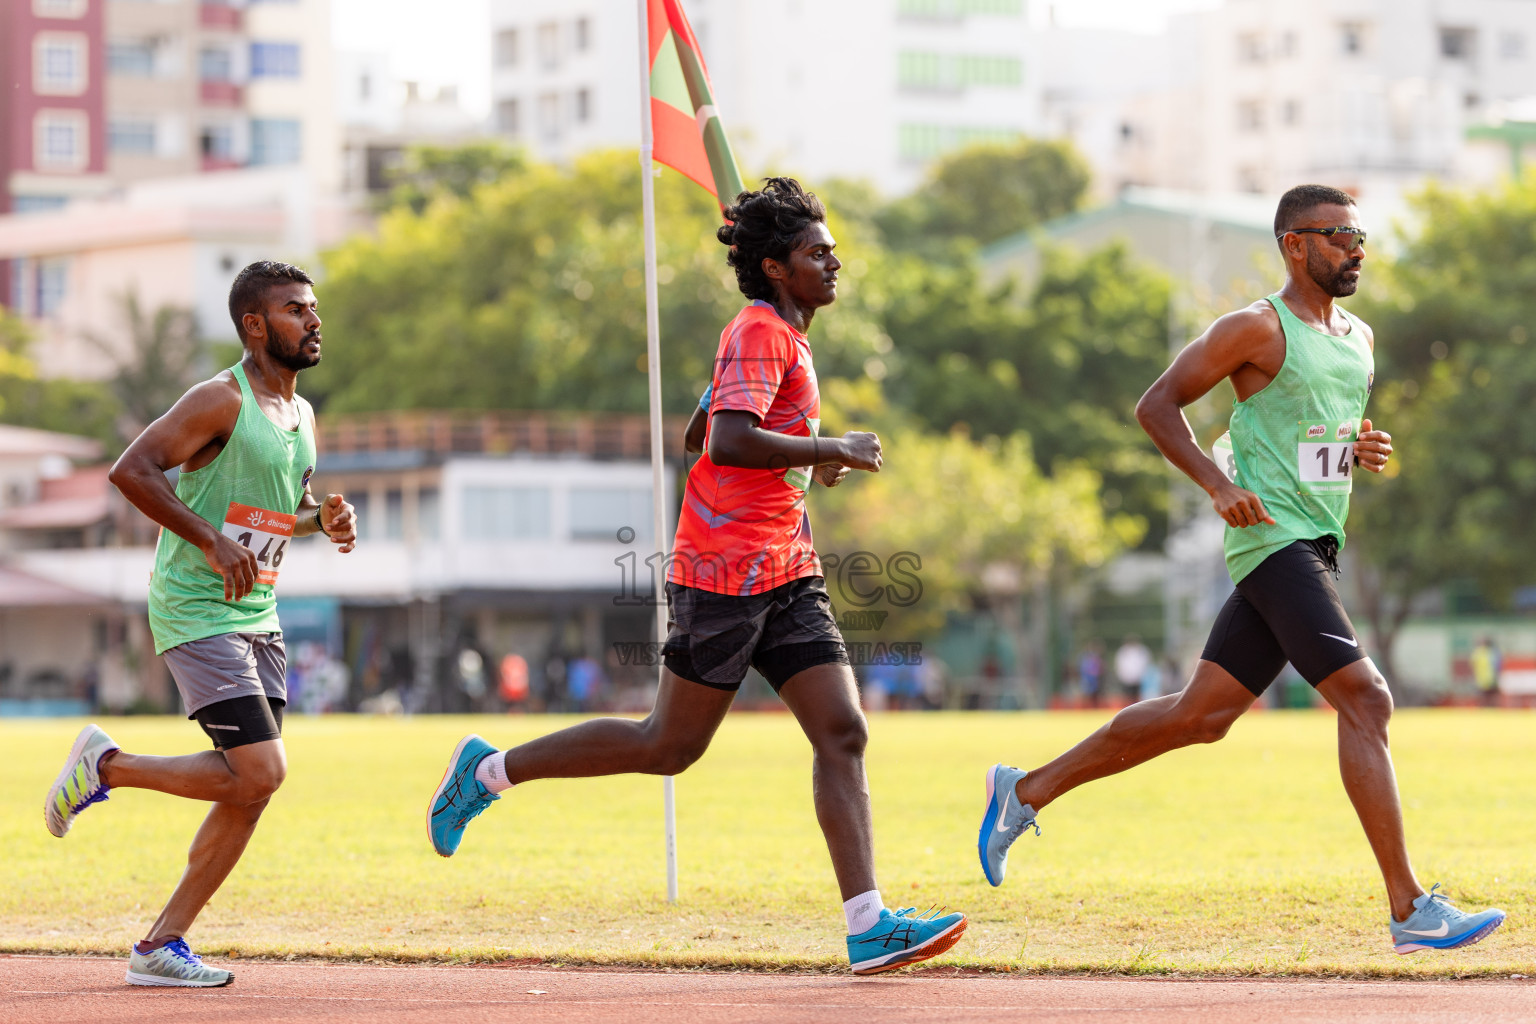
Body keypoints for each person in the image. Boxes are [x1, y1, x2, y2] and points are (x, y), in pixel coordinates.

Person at [428, 178, 966, 975]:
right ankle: (486, 772)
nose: (835, 262)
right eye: (819, 253)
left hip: (788, 570)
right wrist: (830, 448)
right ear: (778, 268)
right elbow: (723, 443)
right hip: (722, 575)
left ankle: (867, 924)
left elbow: (700, 427)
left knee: (843, 732)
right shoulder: (758, 332)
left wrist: (798, 458)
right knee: (668, 746)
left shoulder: (776, 336)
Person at [977, 185, 1506, 955]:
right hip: (1271, 541)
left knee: (1203, 717)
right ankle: (1410, 908)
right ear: (1295, 244)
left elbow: (1310, 435)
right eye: (1339, 236)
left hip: (1317, 540)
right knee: (1367, 698)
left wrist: (1360, 450)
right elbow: (1157, 405)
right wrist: (1218, 486)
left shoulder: (1358, 336)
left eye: (1361, 237)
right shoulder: (1255, 327)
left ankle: (1023, 791)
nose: (1356, 249)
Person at [42, 261, 357, 987]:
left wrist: (324, 521)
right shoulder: (219, 400)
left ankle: (160, 946)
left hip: (259, 610)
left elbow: (280, 512)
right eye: (294, 310)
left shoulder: (302, 416)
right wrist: (209, 541)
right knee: (261, 770)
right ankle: (106, 767)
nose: (313, 322)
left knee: (251, 789)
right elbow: (132, 470)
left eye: (313, 308)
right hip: (195, 606)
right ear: (255, 324)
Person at [1113, 635, 1151, 703]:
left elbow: (1145, 664)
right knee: (1127, 696)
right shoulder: (1123, 652)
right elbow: (1120, 665)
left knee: (1136, 697)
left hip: (1138, 679)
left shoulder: (1141, 651)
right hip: (1126, 679)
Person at [1470, 636, 1502, 707]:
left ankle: (1491, 709)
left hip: (1490, 678)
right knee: (1485, 696)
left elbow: (1497, 666)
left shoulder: (1491, 652)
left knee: (1490, 696)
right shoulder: (1480, 652)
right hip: (1483, 678)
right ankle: (1486, 709)